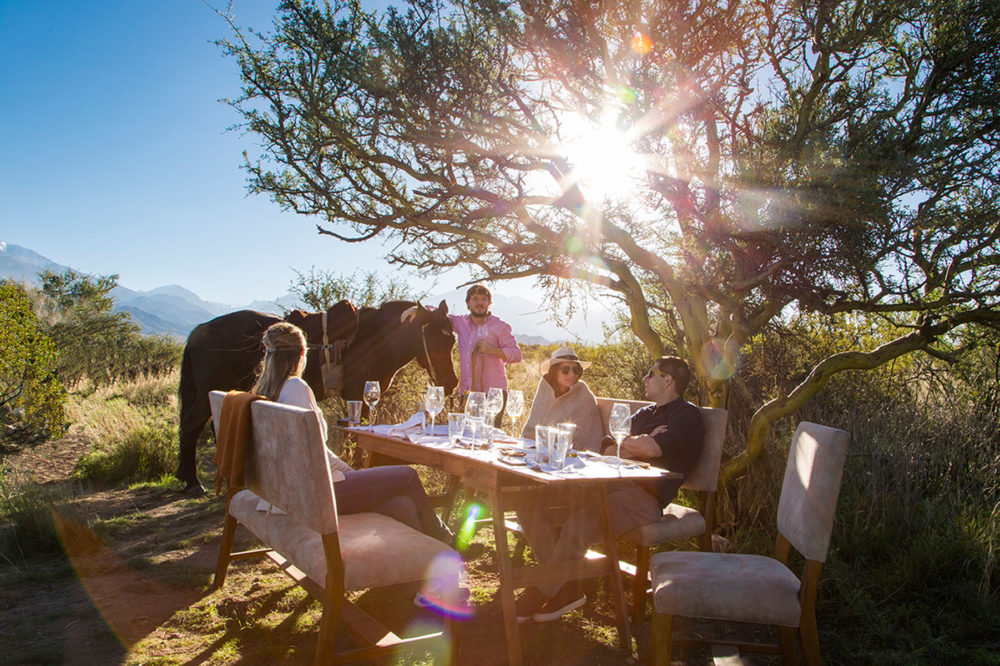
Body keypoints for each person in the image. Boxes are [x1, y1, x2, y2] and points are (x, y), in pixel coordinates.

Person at [514, 355, 705, 623]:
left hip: (644, 496)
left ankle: (543, 587)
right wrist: (635, 442)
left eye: (651, 374)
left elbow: (652, 449)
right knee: (529, 505)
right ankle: (566, 586)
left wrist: (631, 444)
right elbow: (604, 448)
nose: (645, 378)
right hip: (606, 485)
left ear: (668, 380)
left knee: (578, 524)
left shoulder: (686, 416)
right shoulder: (645, 414)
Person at [251, 322, 453, 544]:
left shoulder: (267, 391)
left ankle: (427, 557)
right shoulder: (296, 389)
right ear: (302, 354)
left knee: (401, 504)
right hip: (315, 494)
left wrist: (349, 472)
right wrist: (348, 473)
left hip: (293, 490)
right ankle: (447, 539)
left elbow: (308, 449)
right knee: (407, 476)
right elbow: (315, 451)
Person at [520, 346, 603, 452]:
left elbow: (584, 441)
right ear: (554, 371)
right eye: (565, 370)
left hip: (570, 455)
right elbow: (530, 430)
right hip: (538, 449)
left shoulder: (583, 394)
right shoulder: (545, 390)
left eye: (576, 370)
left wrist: (547, 438)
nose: (571, 374)